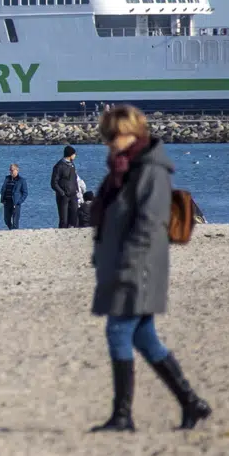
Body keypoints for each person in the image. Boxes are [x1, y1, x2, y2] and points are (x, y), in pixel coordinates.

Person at [88, 105, 211, 433]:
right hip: (127, 264)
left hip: (138, 267)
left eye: (115, 136)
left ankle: (122, 416)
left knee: (117, 332)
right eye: (107, 137)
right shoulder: (124, 168)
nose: (110, 143)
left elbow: (149, 221)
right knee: (145, 338)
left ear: (133, 133)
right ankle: (192, 403)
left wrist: (127, 262)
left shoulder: (149, 170)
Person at [51, 146, 79, 229]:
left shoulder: (72, 165)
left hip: (73, 195)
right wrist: (62, 193)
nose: (75, 156)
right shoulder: (59, 166)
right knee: (64, 220)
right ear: (70, 154)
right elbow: (53, 183)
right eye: (74, 154)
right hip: (63, 197)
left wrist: (76, 190)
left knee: (74, 218)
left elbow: (74, 179)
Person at [0, 164, 27, 229]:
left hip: (15, 204)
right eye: (10, 170)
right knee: (6, 220)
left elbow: (25, 193)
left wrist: (19, 202)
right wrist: (1, 199)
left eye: (12, 170)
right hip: (6, 202)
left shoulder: (21, 180)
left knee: (15, 221)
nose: (10, 171)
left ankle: (15, 232)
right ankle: (11, 230)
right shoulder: (7, 178)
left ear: (17, 170)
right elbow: (3, 189)